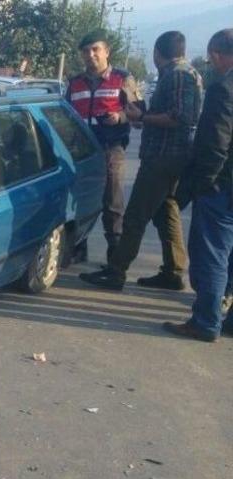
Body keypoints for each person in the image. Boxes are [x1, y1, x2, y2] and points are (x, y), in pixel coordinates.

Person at [80, 31, 203, 291]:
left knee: (135, 216)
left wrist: (141, 117)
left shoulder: (178, 75)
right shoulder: (187, 73)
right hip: (169, 156)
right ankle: (173, 271)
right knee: (165, 212)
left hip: (163, 157)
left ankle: (116, 271)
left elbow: (180, 118)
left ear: (157, 53)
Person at [162, 29, 233, 341]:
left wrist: (205, 183)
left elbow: (216, 144)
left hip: (222, 187)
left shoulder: (224, 89)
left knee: (211, 256)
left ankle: (205, 322)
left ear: (217, 53)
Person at [66, 30, 144, 265]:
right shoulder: (75, 82)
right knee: (78, 200)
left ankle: (115, 257)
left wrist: (120, 117)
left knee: (112, 202)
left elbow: (140, 116)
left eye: (95, 49)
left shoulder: (122, 79)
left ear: (107, 51)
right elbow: (65, 114)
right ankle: (78, 247)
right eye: (85, 51)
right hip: (81, 152)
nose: (90, 55)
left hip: (111, 148)